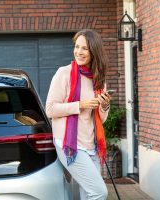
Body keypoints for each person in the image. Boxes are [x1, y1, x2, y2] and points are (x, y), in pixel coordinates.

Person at [46, 29, 111, 200]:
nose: (79, 52)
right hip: (70, 145)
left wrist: (104, 105)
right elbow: (50, 109)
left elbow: (100, 120)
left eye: (85, 48)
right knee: (99, 192)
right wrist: (79, 105)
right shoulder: (64, 73)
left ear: (94, 52)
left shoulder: (99, 79)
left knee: (87, 193)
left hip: (91, 145)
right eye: (77, 47)